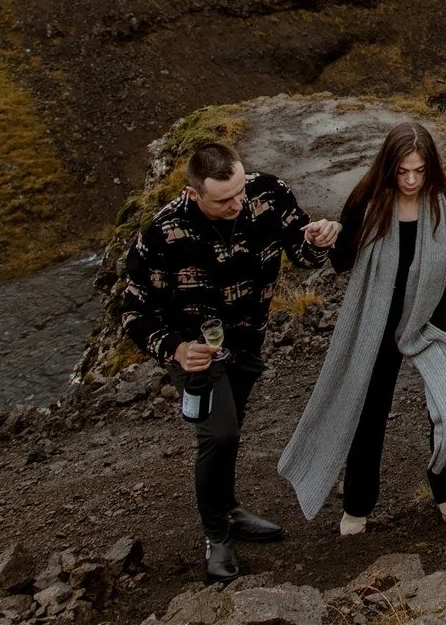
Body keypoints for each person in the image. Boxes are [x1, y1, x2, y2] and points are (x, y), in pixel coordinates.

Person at [117, 142, 341, 582]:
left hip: (247, 343)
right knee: (218, 435)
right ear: (194, 193)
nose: (238, 204)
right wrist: (174, 349)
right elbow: (132, 312)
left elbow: (301, 252)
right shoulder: (161, 234)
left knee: (231, 429)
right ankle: (216, 536)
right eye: (225, 199)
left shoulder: (269, 193)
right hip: (195, 354)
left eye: (240, 191)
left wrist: (318, 240)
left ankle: (231, 509)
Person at [279, 120, 446, 535]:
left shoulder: (445, 195)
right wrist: (328, 237)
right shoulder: (368, 198)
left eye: (419, 171)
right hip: (377, 313)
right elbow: (343, 262)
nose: (411, 180)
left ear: (430, 167)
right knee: (370, 409)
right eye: (403, 171)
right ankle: (357, 504)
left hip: (431, 308)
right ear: (389, 167)